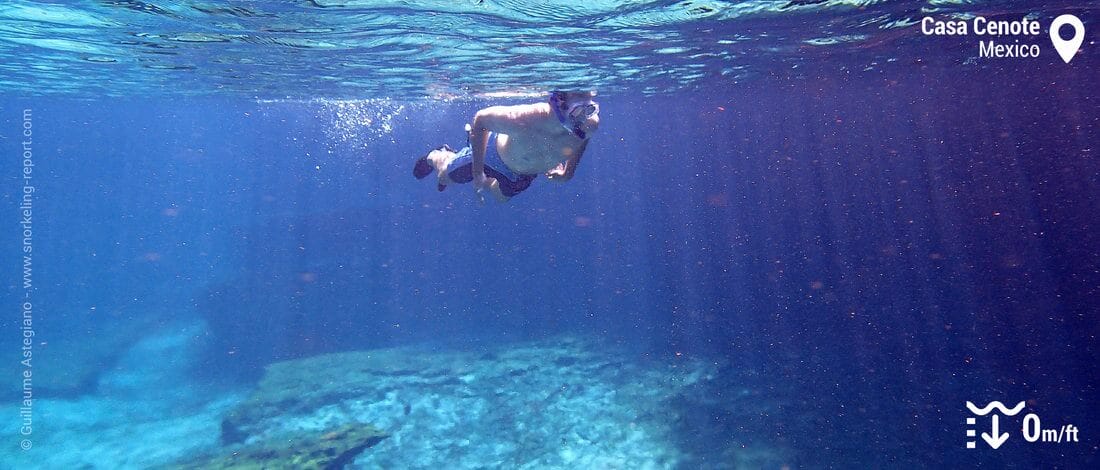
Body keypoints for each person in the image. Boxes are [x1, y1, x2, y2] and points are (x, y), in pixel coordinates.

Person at [413, 91, 600, 202]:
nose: (584, 117)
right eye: (579, 111)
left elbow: (583, 138)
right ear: (560, 103)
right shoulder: (529, 117)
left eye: (589, 109)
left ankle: (481, 175)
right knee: (444, 176)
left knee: (500, 198)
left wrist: (568, 173)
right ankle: (438, 154)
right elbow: (481, 120)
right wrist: (478, 172)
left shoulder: (589, 124)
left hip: (522, 175)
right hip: (491, 157)